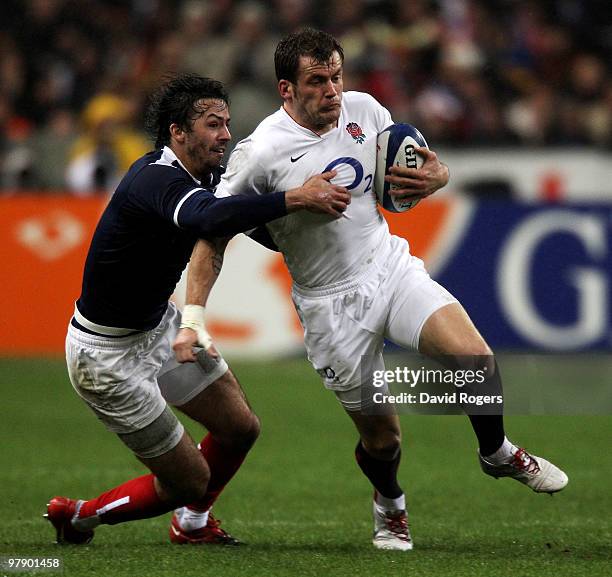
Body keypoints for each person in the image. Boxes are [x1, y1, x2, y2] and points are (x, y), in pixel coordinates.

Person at [174, 29, 569, 551]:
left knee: (475, 358)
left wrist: (438, 177)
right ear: (286, 90)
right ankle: (390, 506)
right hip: (329, 304)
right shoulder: (261, 153)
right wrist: (194, 317)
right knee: (383, 441)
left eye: (337, 76)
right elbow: (213, 232)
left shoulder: (365, 109)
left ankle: (496, 451)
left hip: (388, 267)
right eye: (317, 81)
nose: (333, 91)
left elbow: (418, 170)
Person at [44, 73, 351, 545]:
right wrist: (295, 197)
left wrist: (307, 233)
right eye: (212, 124)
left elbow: (231, 220)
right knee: (188, 482)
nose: (226, 134)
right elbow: (209, 217)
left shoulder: (202, 176)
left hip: (157, 328)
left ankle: (193, 524)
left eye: (226, 123)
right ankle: (81, 515)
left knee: (240, 428)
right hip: (105, 358)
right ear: (177, 132)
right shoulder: (153, 177)